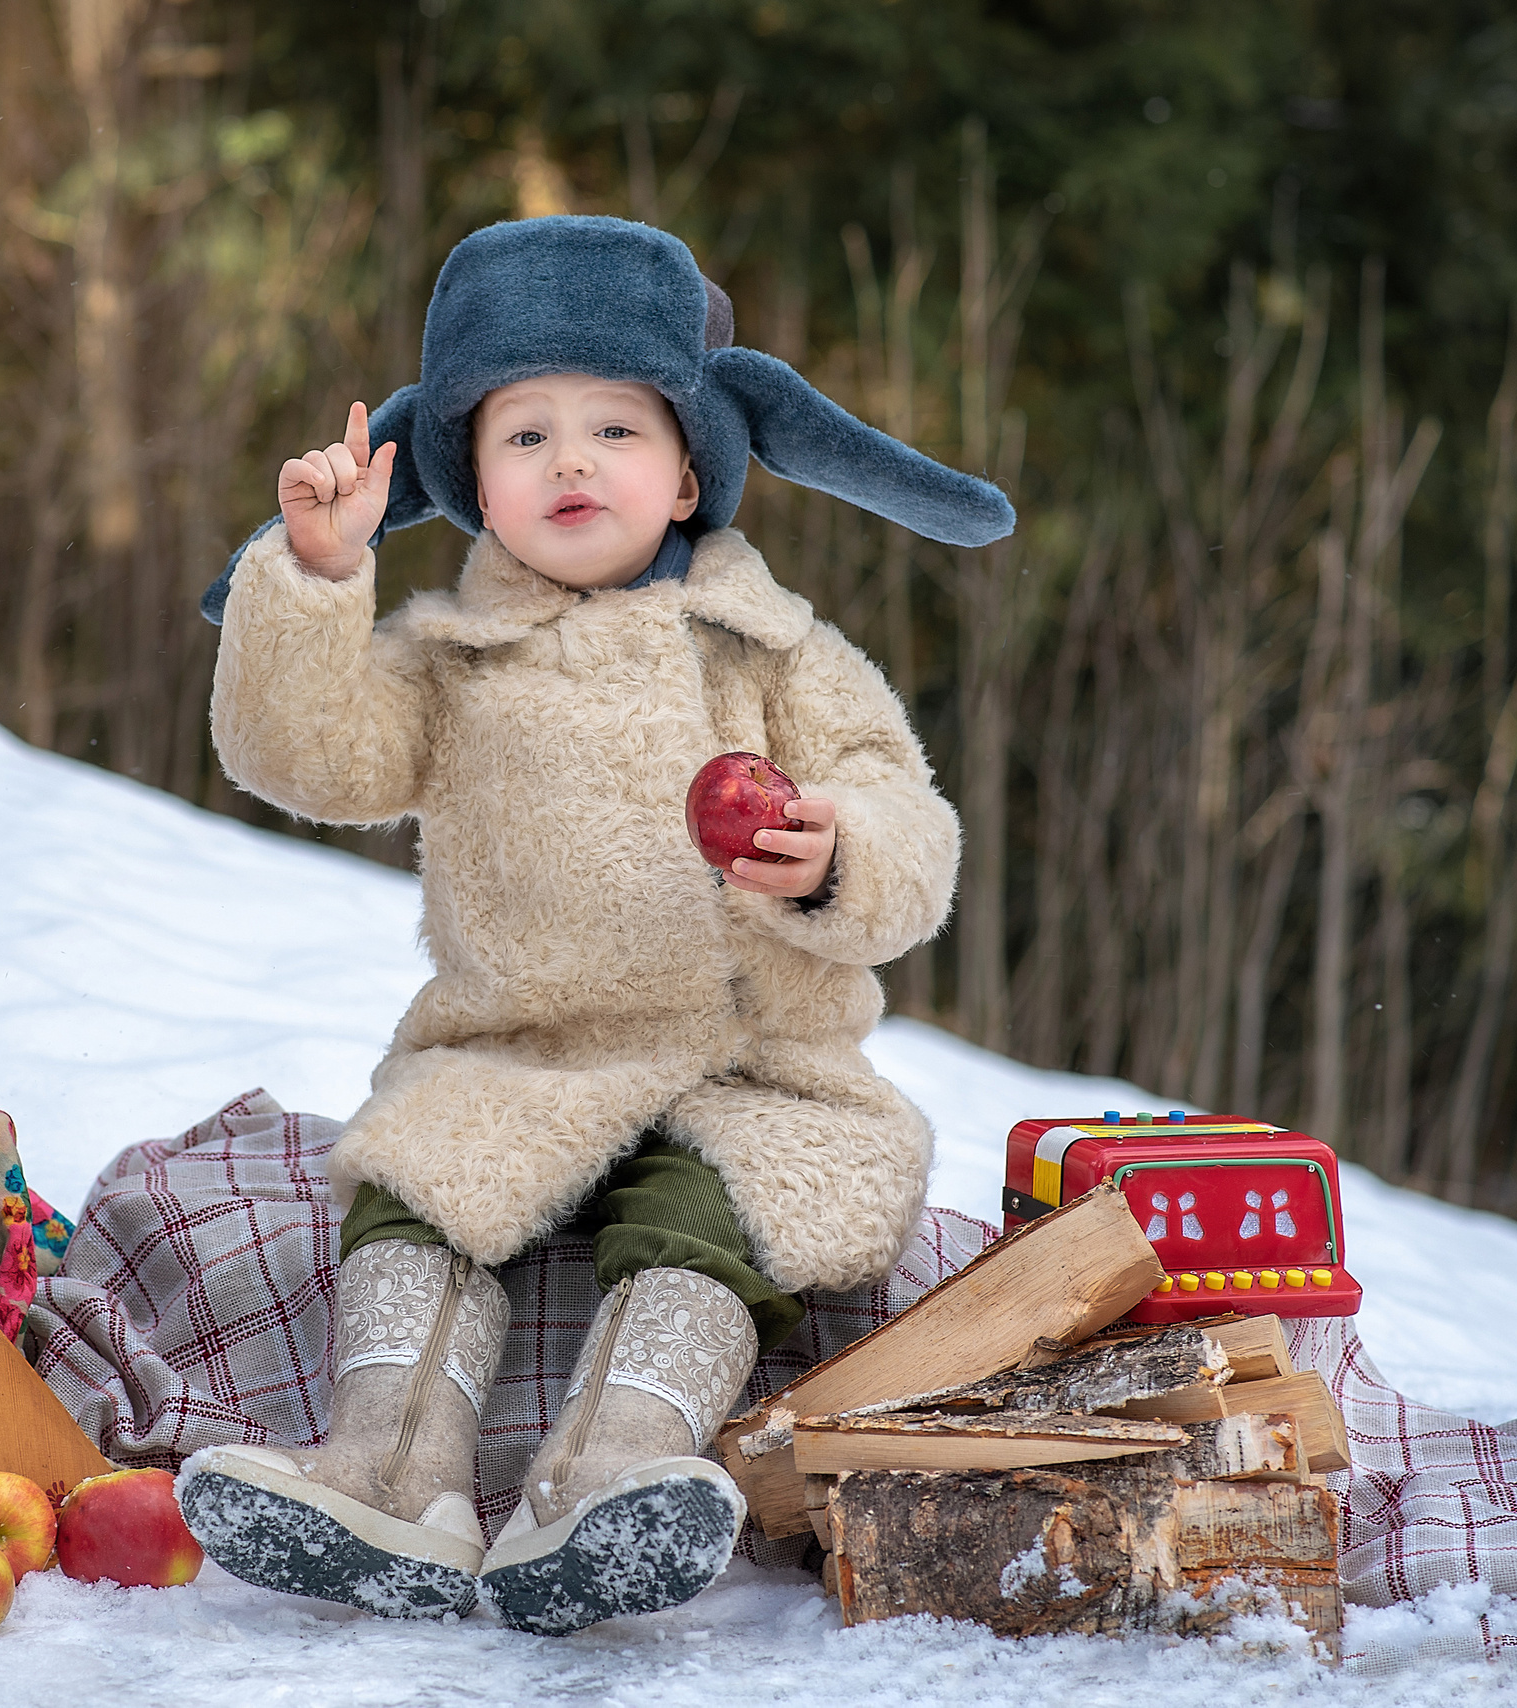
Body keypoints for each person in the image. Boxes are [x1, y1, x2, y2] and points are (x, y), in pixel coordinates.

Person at [174, 215, 1011, 1635]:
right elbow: (303, 755)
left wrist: (835, 855)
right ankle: (389, 1469)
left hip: (747, 1066)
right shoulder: (453, 666)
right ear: (470, 485)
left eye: (614, 427)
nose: (571, 461)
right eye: (526, 435)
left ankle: (611, 1480)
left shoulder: (780, 653)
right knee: (420, 1184)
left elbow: (906, 816)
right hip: (520, 1053)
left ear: (689, 469)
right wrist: (316, 580)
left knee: (715, 1210)